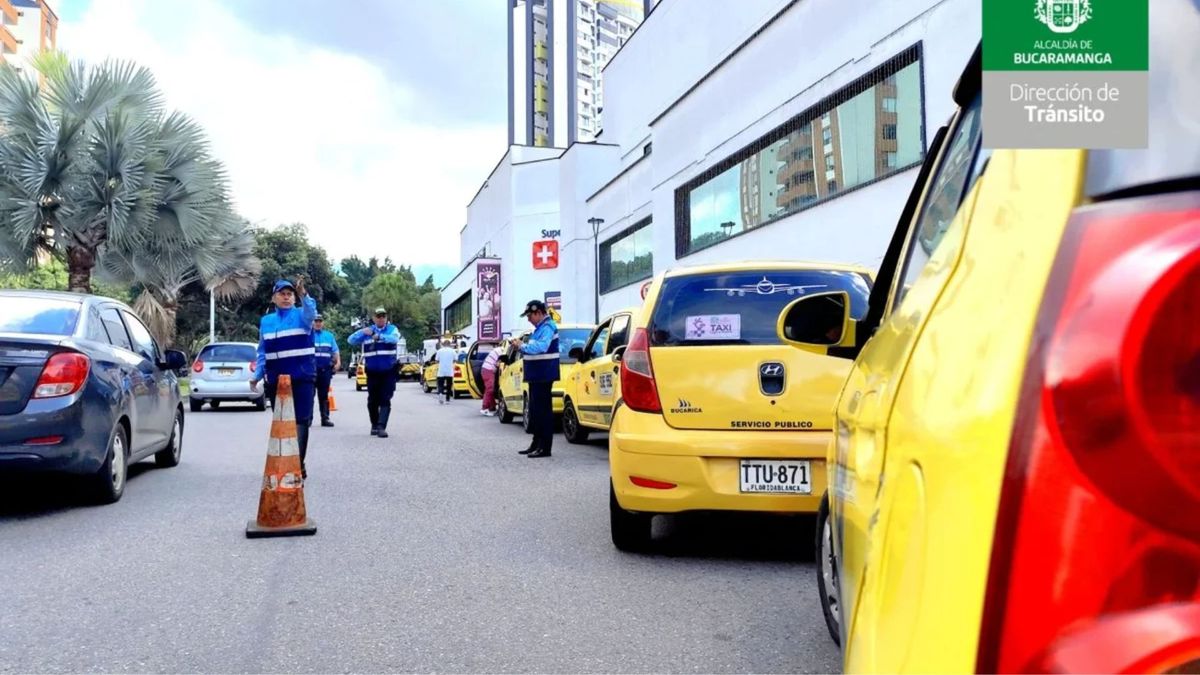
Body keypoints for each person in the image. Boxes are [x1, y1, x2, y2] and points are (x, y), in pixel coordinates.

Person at [249, 277, 318, 479]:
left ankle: (298, 464)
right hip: (276, 380)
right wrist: (257, 376)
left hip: (302, 377)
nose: (286, 297)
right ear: (274, 298)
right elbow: (263, 352)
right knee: (282, 422)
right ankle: (285, 461)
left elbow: (311, 312)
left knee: (300, 421)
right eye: (282, 294)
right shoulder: (267, 321)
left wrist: (304, 293)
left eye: (290, 294)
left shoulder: (302, 316)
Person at [511, 299, 559, 458]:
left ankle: (544, 447)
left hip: (544, 374)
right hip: (537, 375)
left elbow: (541, 347)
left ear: (538, 313)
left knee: (543, 412)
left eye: (530, 315)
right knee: (536, 411)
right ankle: (536, 444)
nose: (528, 319)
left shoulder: (548, 327)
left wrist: (522, 346)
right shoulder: (539, 329)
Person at [348, 307, 400, 438]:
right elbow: (351, 340)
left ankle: (382, 426)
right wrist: (362, 332)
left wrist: (379, 336)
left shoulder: (392, 329)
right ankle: (374, 424)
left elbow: (394, 339)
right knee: (372, 400)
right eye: (378, 316)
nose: (381, 318)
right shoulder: (367, 331)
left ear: (386, 318)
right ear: (374, 318)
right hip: (372, 372)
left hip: (388, 371)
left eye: (383, 316)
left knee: (385, 399)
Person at [312, 314, 341, 427]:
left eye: (320, 321)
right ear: (312, 322)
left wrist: (338, 362)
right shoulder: (308, 335)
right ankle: (308, 419)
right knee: (310, 395)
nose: (318, 323)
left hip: (325, 370)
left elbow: (335, 350)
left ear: (323, 323)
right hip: (311, 371)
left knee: (324, 396)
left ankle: (325, 418)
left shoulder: (329, 336)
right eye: (316, 321)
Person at [479, 345, 502, 416]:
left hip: (485, 369)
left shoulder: (498, 350)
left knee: (488, 389)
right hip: (488, 370)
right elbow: (498, 364)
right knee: (490, 389)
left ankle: (492, 407)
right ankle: (484, 408)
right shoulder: (501, 352)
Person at [435, 340, 457, 405]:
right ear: (450, 344)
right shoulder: (453, 351)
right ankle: (447, 400)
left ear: (443, 344)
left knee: (440, 385)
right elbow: (455, 359)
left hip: (441, 371)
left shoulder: (439, 351)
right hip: (449, 371)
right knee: (449, 386)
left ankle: (441, 393)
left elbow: (436, 361)